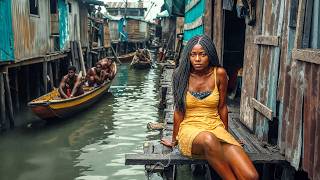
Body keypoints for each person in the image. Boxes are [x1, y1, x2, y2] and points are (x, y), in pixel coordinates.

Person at [161, 35, 259, 180]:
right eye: (193, 55)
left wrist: (226, 135)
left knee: (251, 176)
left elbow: (222, 108)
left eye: (202, 54)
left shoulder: (219, 74)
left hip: (215, 128)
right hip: (190, 130)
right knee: (208, 139)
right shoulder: (180, 75)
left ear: (210, 55)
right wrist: (174, 141)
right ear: (188, 56)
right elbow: (179, 110)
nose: (197, 59)